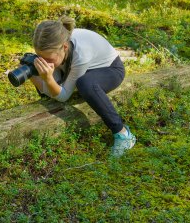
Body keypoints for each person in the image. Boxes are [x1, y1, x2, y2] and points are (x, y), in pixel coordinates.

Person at [30, 16, 136, 157]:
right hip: (76, 67)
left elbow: (63, 96)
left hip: (110, 69)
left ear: (65, 47)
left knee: (85, 84)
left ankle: (123, 134)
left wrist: (47, 80)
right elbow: (54, 88)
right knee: (44, 74)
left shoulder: (81, 53)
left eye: (49, 59)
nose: (45, 62)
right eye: (40, 57)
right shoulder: (57, 50)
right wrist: (33, 74)